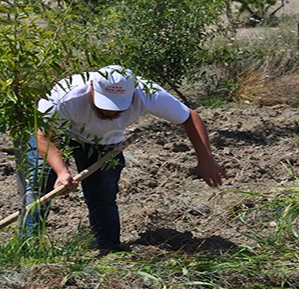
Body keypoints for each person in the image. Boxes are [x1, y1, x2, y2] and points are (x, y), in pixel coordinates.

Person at [23, 65, 226, 252]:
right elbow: (44, 134)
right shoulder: (67, 95)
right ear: (92, 87)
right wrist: (61, 171)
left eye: (118, 106)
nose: (111, 111)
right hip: (59, 136)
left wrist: (206, 158)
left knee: (102, 193)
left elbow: (189, 117)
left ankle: (109, 249)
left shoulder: (147, 93)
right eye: (104, 104)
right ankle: (28, 248)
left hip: (105, 143)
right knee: (41, 185)